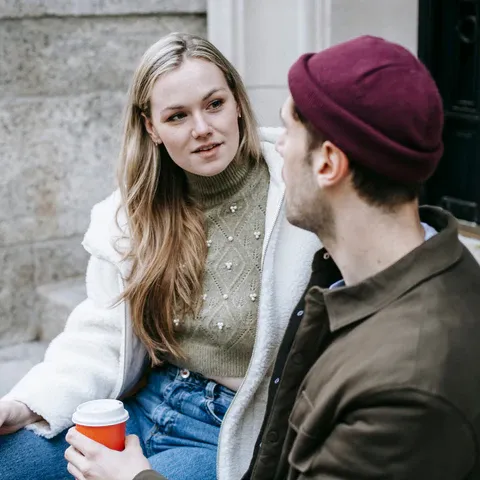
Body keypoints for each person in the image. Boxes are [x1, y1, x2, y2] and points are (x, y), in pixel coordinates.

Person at [72, 34, 480, 480]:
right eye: (177, 115)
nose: (274, 145)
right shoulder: (356, 282)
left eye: (289, 132)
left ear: (327, 164)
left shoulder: (404, 377)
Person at [0, 32, 320, 480]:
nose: (202, 128)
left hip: (229, 429)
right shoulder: (132, 213)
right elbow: (100, 335)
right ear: (152, 128)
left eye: (214, 104)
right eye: (177, 116)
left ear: (237, 100)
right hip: (140, 407)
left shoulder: (298, 195)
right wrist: (23, 404)